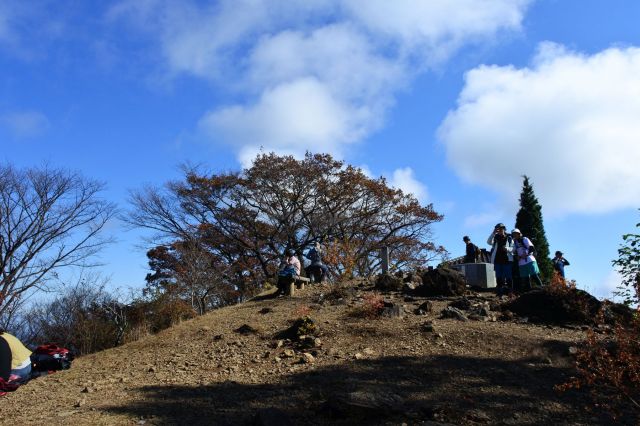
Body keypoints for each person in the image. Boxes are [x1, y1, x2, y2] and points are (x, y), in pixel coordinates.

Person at [487, 223, 514, 294]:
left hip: (507, 260)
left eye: (501, 228)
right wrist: (493, 233)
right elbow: (488, 242)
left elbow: (514, 248)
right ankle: (500, 292)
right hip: (497, 260)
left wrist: (507, 249)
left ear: (504, 229)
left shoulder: (509, 237)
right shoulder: (495, 237)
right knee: (498, 276)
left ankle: (510, 292)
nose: (500, 230)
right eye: (498, 229)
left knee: (508, 276)